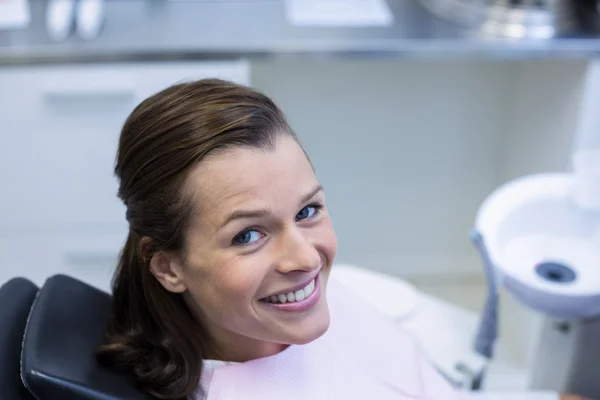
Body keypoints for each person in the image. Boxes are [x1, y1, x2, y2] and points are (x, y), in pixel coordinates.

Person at [97, 79, 590, 400]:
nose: (306, 257)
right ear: (168, 267)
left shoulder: (296, 315)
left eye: (307, 210)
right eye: (248, 235)